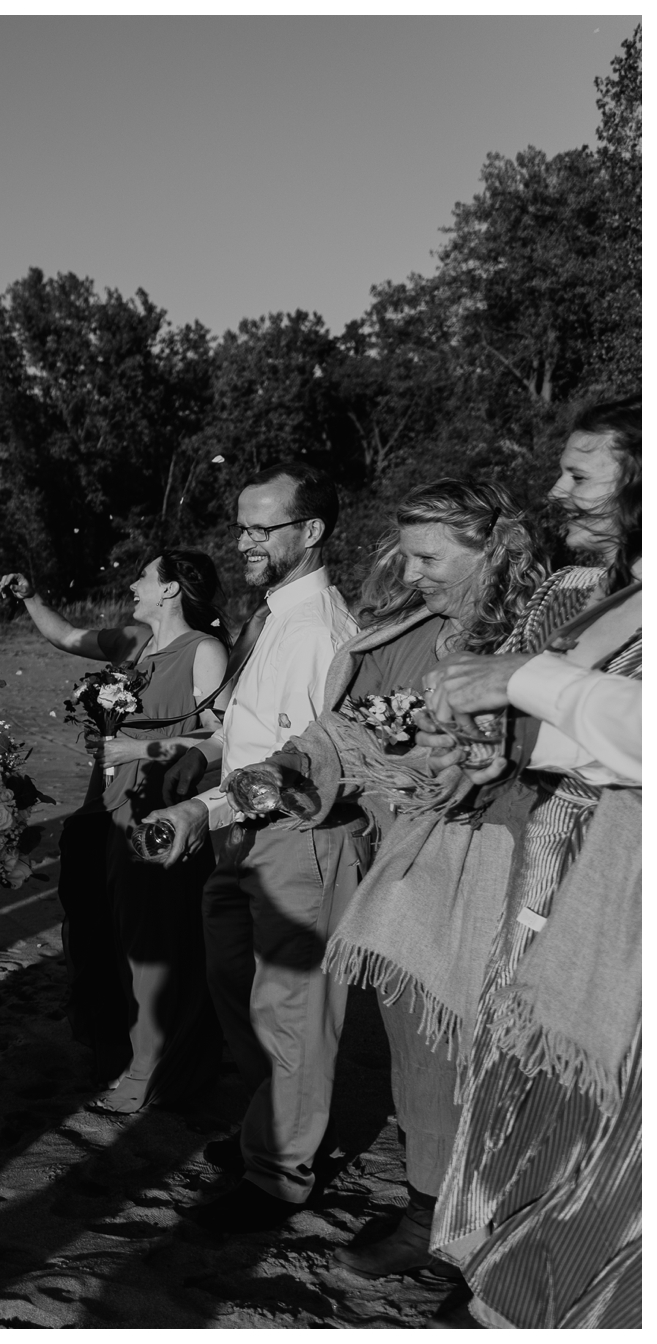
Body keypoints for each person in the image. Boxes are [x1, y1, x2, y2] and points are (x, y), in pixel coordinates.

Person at [217, 480, 549, 1277]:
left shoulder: (549, 637)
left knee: (508, 1052)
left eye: (431, 556)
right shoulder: (405, 634)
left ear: (488, 549)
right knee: (420, 1042)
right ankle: (430, 1206)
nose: (415, 571)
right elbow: (344, 728)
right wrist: (288, 771)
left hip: (521, 868)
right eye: (407, 553)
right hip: (419, 869)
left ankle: (503, 1225)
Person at [418, 398, 641, 1328]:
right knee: (539, 1080)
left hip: (621, 905)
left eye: (582, 473)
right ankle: (509, 1267)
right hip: (568, 876)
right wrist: (494, 734)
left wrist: (518, 684)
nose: (556, 492)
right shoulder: (620, 594)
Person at [138, 461, 364, 1233]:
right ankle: (268, 1127)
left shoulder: (317, 629)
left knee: (293, 1010)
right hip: (240, 834)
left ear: (313, 531)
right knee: (241, 993)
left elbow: (300, 761)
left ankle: (280, 1177)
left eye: (261, 526)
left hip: (297, 836)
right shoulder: (271, 617)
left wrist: (204, 811)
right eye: (240, 526)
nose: (244, 540)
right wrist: (201, 762)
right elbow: (252, 734)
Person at [0, 553, 228, 1113]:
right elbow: (67, 636)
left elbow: (227, 740)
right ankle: (115, 1048)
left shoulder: (205, 651)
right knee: (97, 931)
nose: (131, 584)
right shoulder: (132, 640)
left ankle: (153, 1067)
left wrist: (140, 748)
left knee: (150, 944)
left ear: (170, 589)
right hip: (101, 805)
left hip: (156, 808)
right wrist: (30, 596)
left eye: (144, 577)